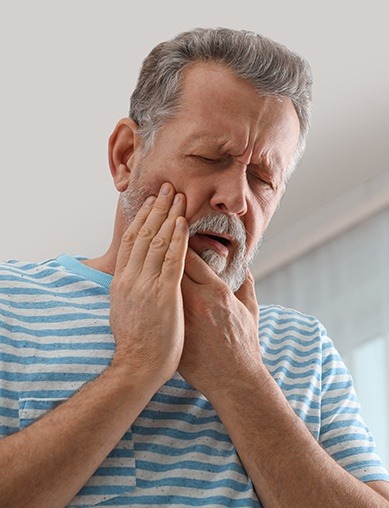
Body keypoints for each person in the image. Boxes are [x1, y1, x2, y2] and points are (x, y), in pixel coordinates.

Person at [0, 27, 388, 508]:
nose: (235, 199)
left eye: (263, 179)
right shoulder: (9, 303)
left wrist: (241, 379)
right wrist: (137, 368)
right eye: (210, 157)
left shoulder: (305, 346)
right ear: (126, 157)